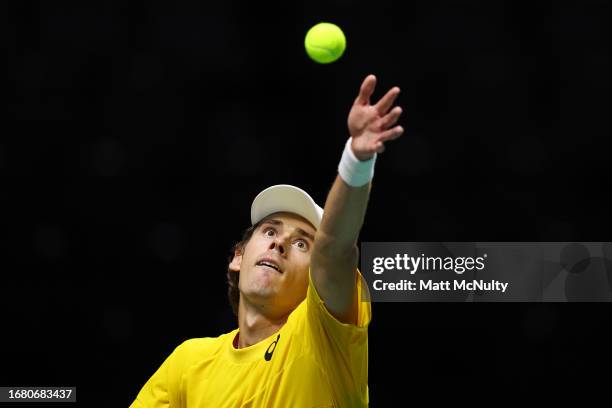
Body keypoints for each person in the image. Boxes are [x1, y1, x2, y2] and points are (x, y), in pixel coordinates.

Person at [131, 74, 404, 407]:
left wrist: (357, 159)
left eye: (302, 243)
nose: (280, 244)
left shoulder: (323, 338)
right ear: (238, 256)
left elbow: (334, 248)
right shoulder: (188, 363)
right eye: (270, 231)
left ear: (314, 281)